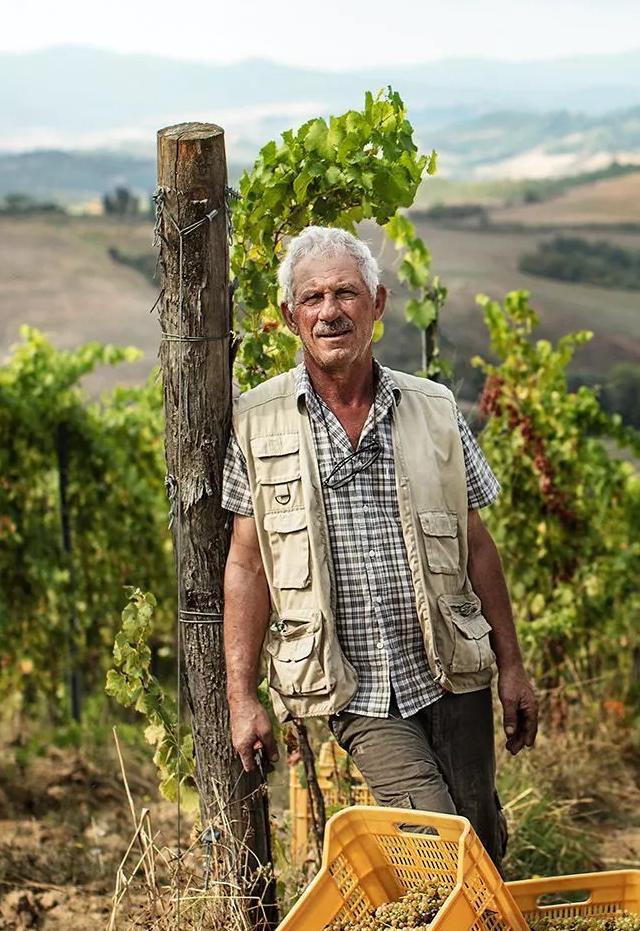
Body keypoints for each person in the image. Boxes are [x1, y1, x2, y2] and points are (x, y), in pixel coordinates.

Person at [219, 225, 540, 867]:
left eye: (345, 293)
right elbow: (247, 564)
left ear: (378, 304)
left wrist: (511, 666)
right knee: (442, 840)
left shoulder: (434, 410)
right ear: (290, 317)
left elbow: (478, 546)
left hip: (451, 667)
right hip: (354, 686)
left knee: (482, 836)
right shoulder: (258, 421)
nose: (329, 311)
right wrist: (242, 697)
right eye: (312, 298)